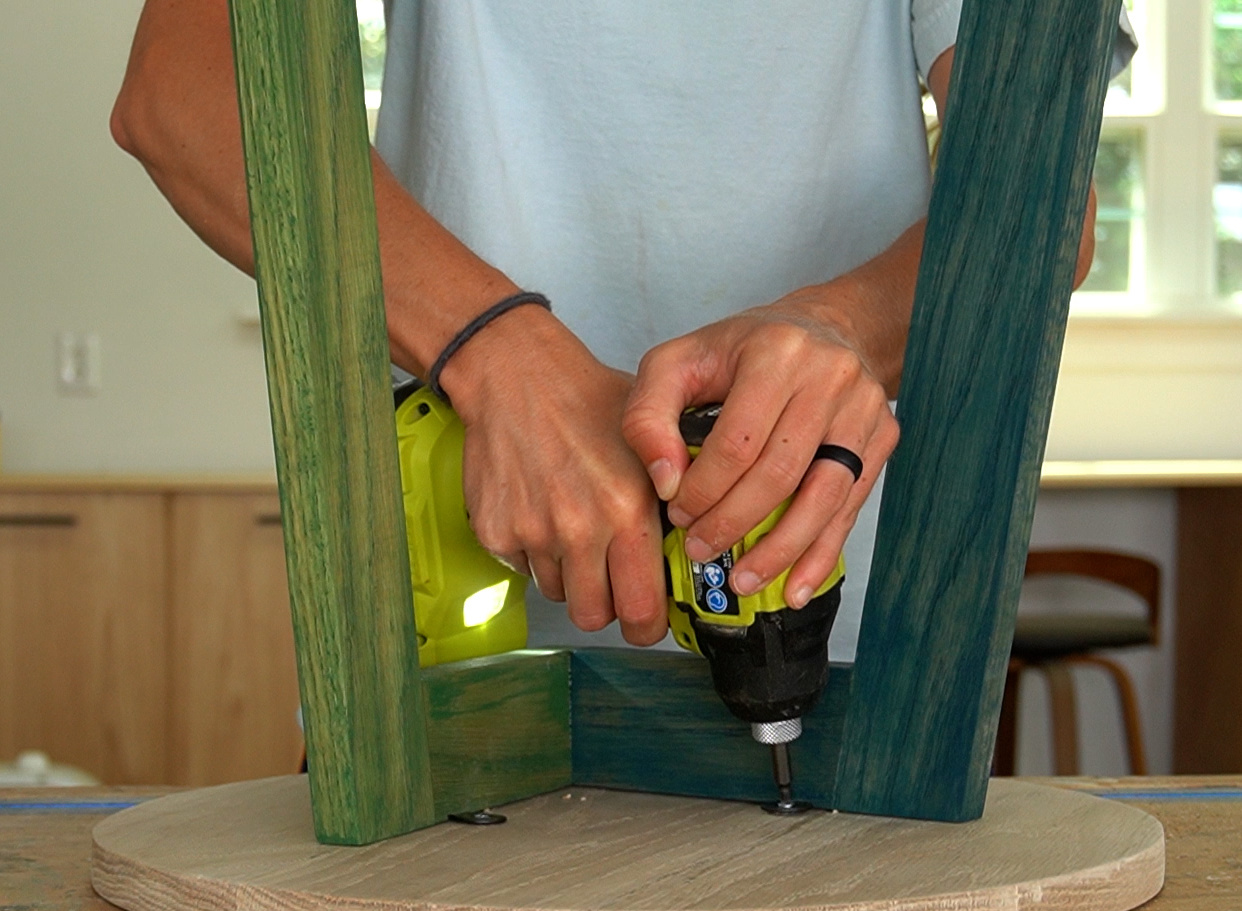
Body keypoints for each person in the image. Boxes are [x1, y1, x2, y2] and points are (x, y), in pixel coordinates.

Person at [112, 1, 1131, 659]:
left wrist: (845, 329)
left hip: (843, 634)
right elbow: (184, 92)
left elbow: (1041, 198)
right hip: (439, 633)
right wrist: (493, 350)